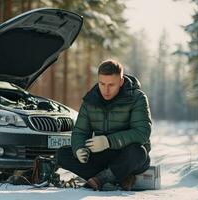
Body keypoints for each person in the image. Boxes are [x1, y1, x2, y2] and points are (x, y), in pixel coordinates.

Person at [56, 59, 152, 191]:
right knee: (62, 154)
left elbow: (142, 133)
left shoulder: (137, 97)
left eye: (111, 85)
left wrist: (109, 141)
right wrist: (79, 148)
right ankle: (116, 177)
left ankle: (101, 179)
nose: (106, 90)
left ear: (121, 82)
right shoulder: (90, 100)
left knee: (139, 152)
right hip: (101, 155)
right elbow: (80, 132)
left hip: (127, 155)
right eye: (102, 84)